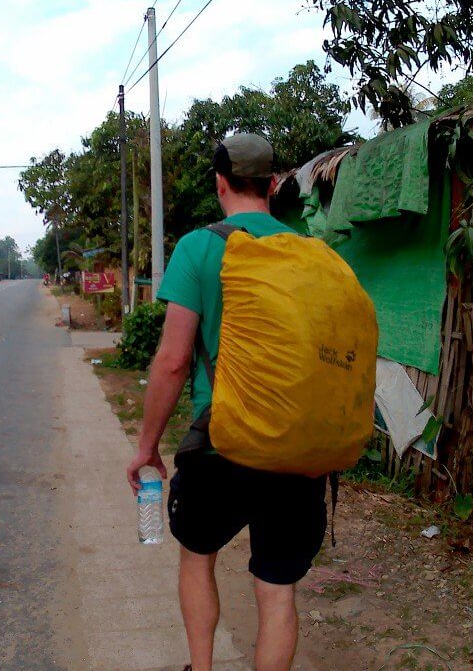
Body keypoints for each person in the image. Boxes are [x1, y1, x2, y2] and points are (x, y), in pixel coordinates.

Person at [125, 133, 327, 671]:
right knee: (277, 590)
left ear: (219, 182)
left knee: (197, 557)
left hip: (221, 440)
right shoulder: (307, 251)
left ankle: (202, 667)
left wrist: (146, 448)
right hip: (294, 444)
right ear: (274, 184)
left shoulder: (199, 247)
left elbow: (171, 361)